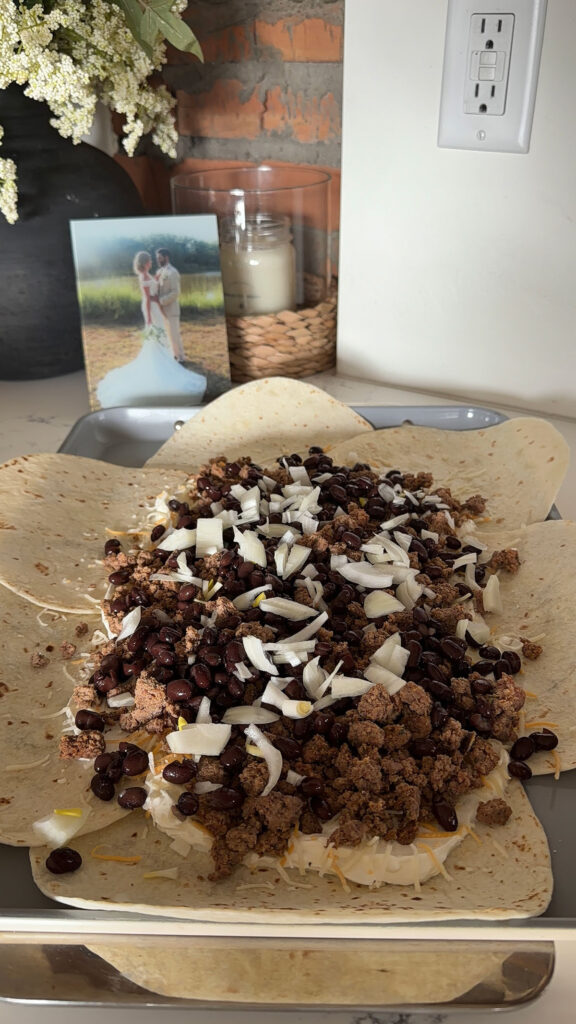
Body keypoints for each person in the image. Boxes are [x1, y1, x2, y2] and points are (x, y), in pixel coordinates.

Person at [96, 250, 206, 408]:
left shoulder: (151, 274)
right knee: (156, 334)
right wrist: (148, 318)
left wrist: (157, 287)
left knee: (162, 334)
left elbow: (159, 289)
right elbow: (147, 299)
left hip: (156, 307)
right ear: (145, 262)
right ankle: (161, 359)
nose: (153, 262)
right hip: (151, 309)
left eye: (155, 259)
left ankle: (168, 356)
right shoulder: (144, 276)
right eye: (150, 260)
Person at [155, 247, 185, 362]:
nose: (158, 260)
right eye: (157, 258)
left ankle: (181, 357)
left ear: (166, 257)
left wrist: (160, 301)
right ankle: (173, 355)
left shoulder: (173, 272)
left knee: (174, 335)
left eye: (160, 258)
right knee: (167, 335)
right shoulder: (159, 272)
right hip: (161, 310)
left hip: (171, 310)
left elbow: (175, 292)